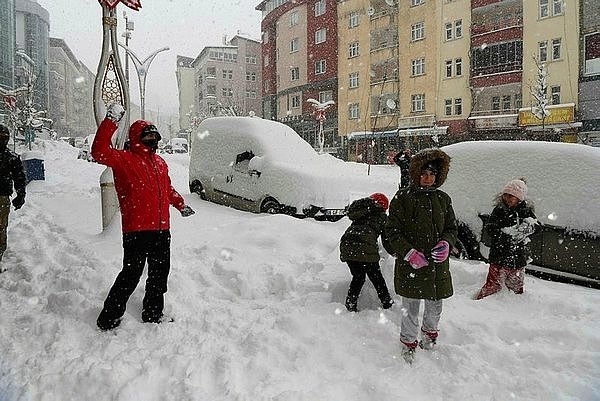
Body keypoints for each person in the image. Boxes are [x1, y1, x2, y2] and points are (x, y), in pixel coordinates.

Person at [92, 103, 196, 331]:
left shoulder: (160, 163)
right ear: (137, 137)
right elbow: (99, 151)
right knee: (131, 274)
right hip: (137, 230)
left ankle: (153, 313)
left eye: (153, 136)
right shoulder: (124, 159)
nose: (151, 140)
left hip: (161, 229)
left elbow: (166, 189)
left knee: (159, 274)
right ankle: (108, 318)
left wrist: (180, 204)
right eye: (146, 136)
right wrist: (111, 122)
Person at [385, 148, 458, 364]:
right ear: (416, 174)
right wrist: (408, 253)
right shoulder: (403, 197)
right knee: (410, 307)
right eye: (424, 174)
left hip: (437, 266)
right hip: (412, 266)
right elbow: (392, 230)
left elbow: (451, 228)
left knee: (435, 306)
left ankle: (429, 337)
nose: (428, 179)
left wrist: (446, 243)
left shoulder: (443, 199)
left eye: (432, 174)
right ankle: (408, 344)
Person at [475, 178, 537, 300]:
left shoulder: (525, 211)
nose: (508, 199)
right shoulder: (499, 210)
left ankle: (514, 303)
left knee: (515, 285)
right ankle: (483, 302)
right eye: (506, 195)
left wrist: (528, 228)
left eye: (512, 196)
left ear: (519, 198)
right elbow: (491, 228)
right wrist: (506, 235)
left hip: (518, 256)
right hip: (499, 254)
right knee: (493, 283)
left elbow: (535, 225)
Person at [340, 193, 394, 312]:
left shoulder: (361, 212)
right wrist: (394, 253)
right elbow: (386, 240)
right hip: (364, 248)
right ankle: (387, 302)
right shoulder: (382, 217)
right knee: (377, 277)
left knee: (358, 277)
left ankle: (350, 304)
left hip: (347, 245)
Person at [0, 124, 27, 264]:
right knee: (1, 228)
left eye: (3, 138)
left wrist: (20, 195)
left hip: (3, 197)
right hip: (2, 198)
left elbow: (19, 178)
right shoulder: (11, 157)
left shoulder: (12, 157)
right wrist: (20, 196)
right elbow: (20, 178)